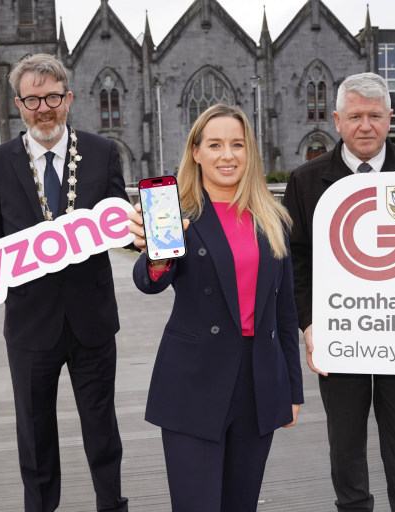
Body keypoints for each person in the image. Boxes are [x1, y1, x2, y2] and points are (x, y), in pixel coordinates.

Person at [0, 54, 129, 512]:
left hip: (92, 320)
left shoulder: (103, 153)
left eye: (53, 97)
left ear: (68, 99)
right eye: (33, 99)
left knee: (102, 429)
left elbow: (121, 225)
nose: (44, 108)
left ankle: (111, 506)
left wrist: (157, 237)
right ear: (18, 104)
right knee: (35, 434)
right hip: (29, 324)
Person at [283, 72, 395, 512]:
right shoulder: (306, 181)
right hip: (340, 331)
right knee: (345, 443)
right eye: (355, 116)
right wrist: (308, 323)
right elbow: (295, 261)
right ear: (337, 121)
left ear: (389, 119)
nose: (365, 126)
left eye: (375, 116)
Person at [127, 104, 304, 512]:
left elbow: (284, 313)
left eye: (238, 144)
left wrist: (291, 388)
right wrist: (157, 256)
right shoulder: (179, 214)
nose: (228, 155)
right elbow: (149, 282)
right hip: (194, 381)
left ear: (250, 152)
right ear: (196, 152)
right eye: (216, 144)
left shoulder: (272, 219)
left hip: (258, 382)